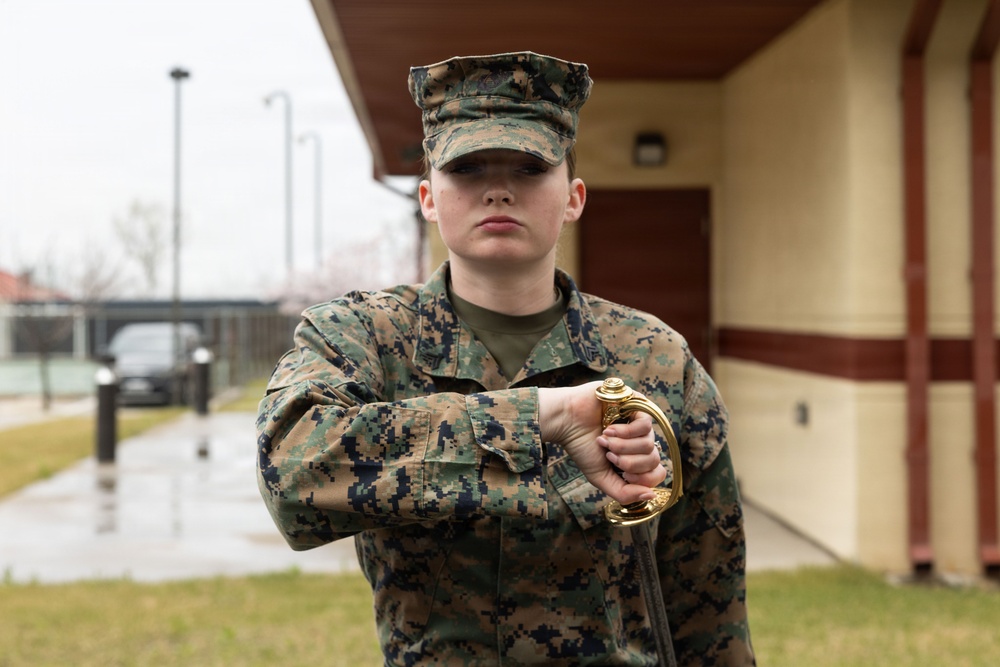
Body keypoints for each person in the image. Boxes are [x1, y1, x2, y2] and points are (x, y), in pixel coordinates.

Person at [257, 51, 754, 665]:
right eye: (466, 168)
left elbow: (710, 599)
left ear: (572, 197)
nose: (498, 188)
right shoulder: (366, 337)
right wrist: (545, 416)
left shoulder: (654, 358)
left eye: (528, 167)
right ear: (428, 198)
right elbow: (292, 477)